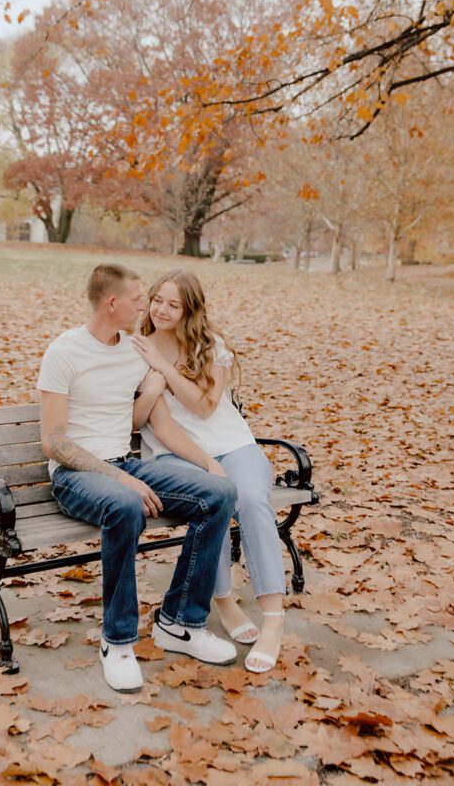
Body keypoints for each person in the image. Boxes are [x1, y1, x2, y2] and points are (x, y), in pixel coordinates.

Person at [37, 263, 239, 694]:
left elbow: (151, 424)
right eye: (137, 301)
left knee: (220, 494)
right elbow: (54, 442)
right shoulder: (64, 351)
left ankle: (180, 622)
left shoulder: (134, 349)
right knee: (126, 504)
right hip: (76, 475)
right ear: (113, 304)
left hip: (124, 467)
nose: (145, 307)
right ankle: (118, 640)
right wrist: (119, 478)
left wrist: (206, 461)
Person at [131, 269, 286, 674]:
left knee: (251, 500)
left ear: (189, 310)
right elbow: (159, 424)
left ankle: (274, 620)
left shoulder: (209, 345)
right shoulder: (136, 348)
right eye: (157, 300)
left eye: (173, 304)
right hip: (173, 455)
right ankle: (225, 602)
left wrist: (163, 369)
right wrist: (205, 462)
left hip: (234, 445)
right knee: (214, 497)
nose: (162, 309)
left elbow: (205, 406)